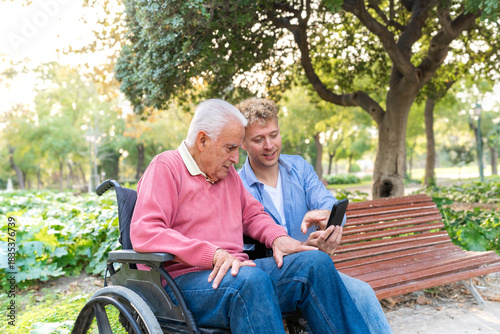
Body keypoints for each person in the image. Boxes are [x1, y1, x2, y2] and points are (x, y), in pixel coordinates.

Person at [130, 99, 370, 333]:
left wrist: (278, 238)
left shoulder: (228, 175)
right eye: (230, 148)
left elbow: (253, 214)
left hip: (238, 273)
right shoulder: (166, 167)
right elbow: (146, 231)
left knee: (315, 263)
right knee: (250, 281)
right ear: (202, 140)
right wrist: (212, 254)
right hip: (181, 284)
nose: (236, 158)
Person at [237, 98, 393, 334]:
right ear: (242, 143)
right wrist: (301, 249)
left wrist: (329, 222)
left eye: (274, 135)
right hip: (275, 278)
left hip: (316, 267)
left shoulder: (298, 168)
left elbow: (331, 207)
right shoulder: (238, 186)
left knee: (362, 292)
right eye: (258, 140)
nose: (269, 145)